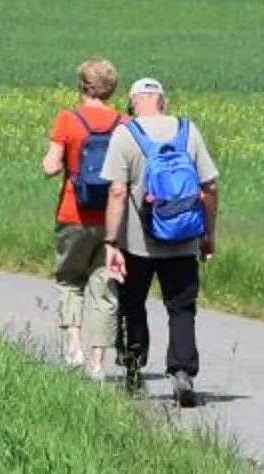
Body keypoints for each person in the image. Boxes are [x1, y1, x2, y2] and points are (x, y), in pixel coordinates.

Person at [102, 76, 219, 408]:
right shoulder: (188, 131)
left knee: (133, 304)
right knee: (181, 307)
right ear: (162, 101)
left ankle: (134, 371)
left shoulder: (125, 134)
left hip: (138, 244)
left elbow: (117, 191)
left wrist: (111, 242)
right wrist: (208, 234)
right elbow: (209, 188)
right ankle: (182, 372)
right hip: (183, 238)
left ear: (132, 102)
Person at [41, 58, 124, 375]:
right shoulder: (123, 123)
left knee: (69, 280)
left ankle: (74, 346)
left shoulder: (67, 119)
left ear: (82, 86)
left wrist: (52, 165)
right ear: (111, 88)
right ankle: (98, 362)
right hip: (111, 219)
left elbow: (52, 165)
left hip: (72, 213)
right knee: (104, 288)